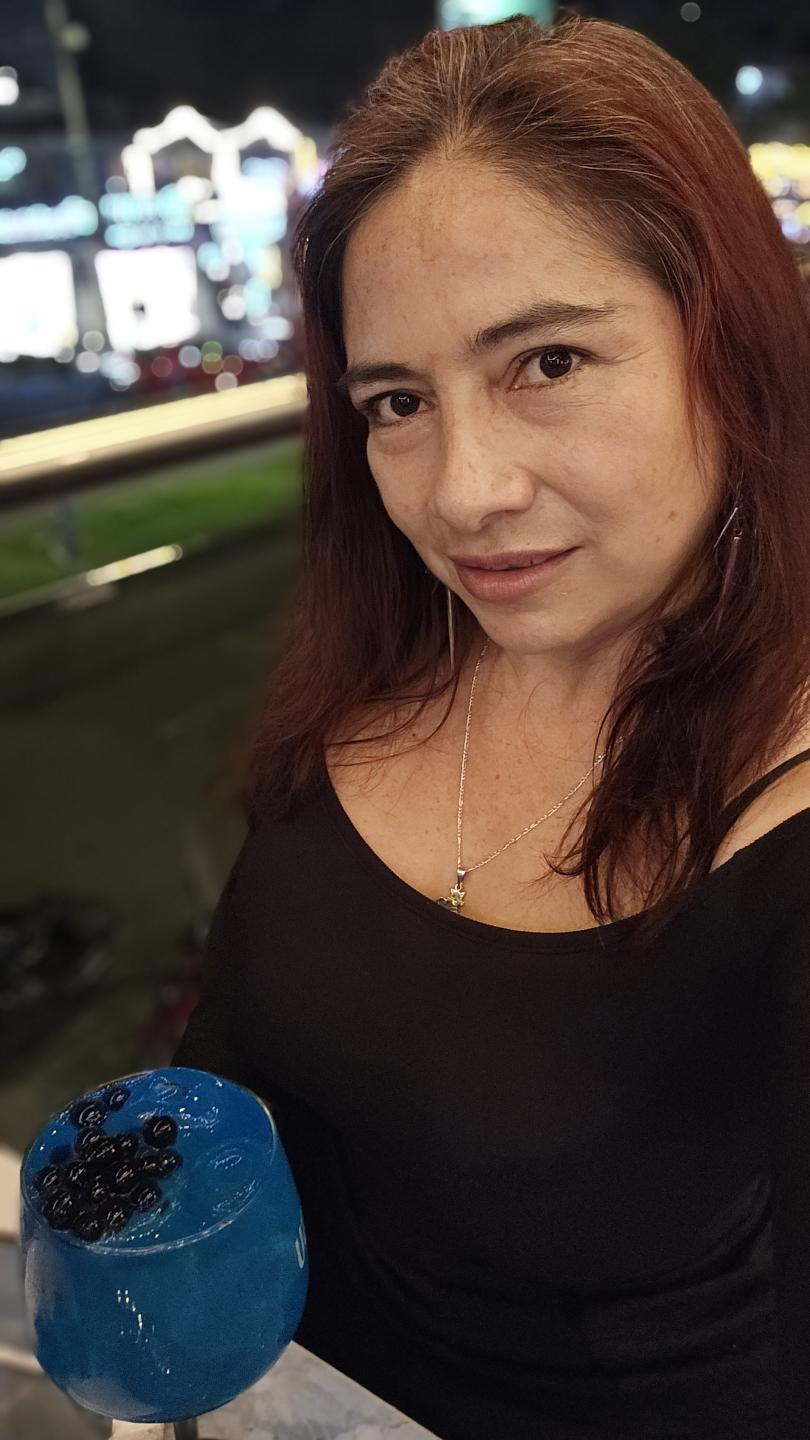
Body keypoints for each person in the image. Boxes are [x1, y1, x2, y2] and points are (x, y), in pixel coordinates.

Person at [172, 12, 810, 1439]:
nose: (461, 493)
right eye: (398, 401)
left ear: (732, 345)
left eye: (548, 363)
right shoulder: (402, 654)